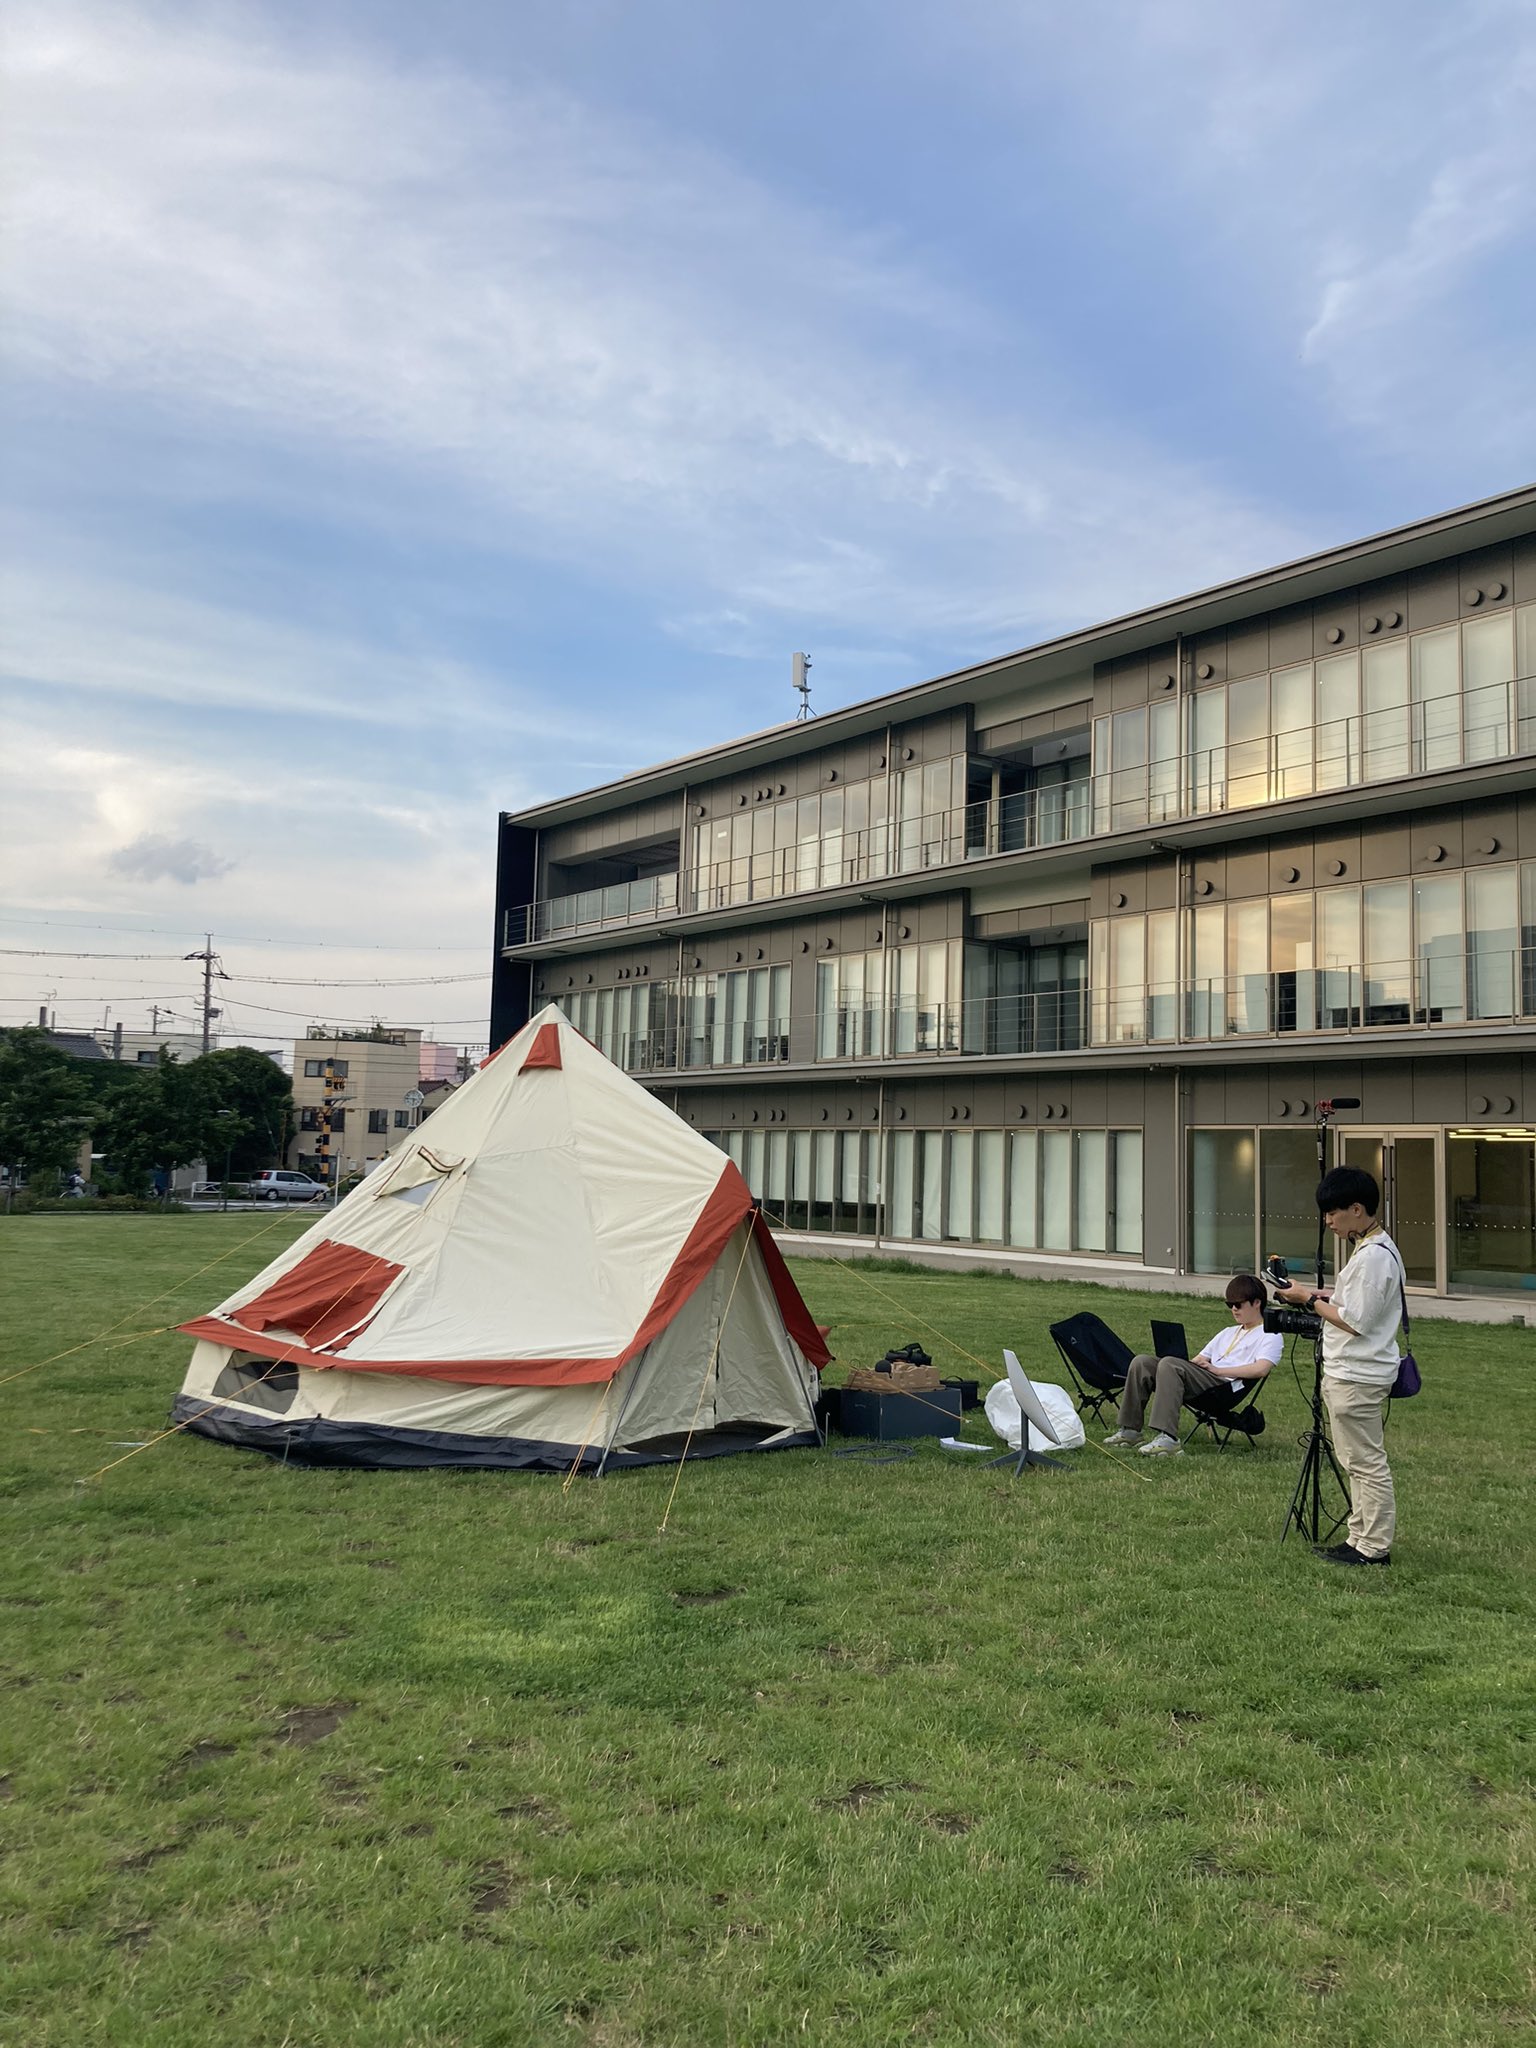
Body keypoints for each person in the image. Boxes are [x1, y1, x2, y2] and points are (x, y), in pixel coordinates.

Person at [1275, 1164, 1403, 1568]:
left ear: (1357, 1209)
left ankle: (1373, 1547)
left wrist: (1308, 1301)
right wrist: (1317, 1293)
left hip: (1357, 1375)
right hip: (1354, 1372)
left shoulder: (1373, 1257)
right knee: (1356, 1462)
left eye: (1333, 1212)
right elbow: (1355, 1303)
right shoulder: (1372, 1249)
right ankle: (1359, 1537)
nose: (1328, 1221)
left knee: (1365, 1463)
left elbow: (1354, 1321)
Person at [1105, 1274, 1282, 1456]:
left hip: (1224, 1387)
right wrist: (1186, 1363)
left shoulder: (1270, 1335)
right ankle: (1130, 1431)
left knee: (1170, 1365)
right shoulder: (1228, 1332)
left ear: (1257, 1302)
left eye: (1238, 1304)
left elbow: (1261, 1368)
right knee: (1142, 1362)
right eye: (1230, 1305)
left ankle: (1168, 1439)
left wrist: (1218, 1370)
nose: (1234, 1309)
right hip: (1205, 1378)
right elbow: (1199, 1359)